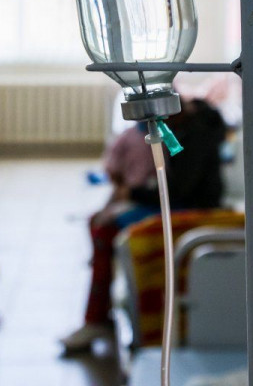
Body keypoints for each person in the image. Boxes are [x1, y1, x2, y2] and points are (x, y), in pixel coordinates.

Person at [60, 97, 227, 353]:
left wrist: (133, 195)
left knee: (105, 230)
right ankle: (100, 306)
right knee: (100, 222)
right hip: (176, 200)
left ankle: (95, 319)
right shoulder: (185, 125)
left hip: (192, 209)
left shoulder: (196, 134)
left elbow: (178, 190)